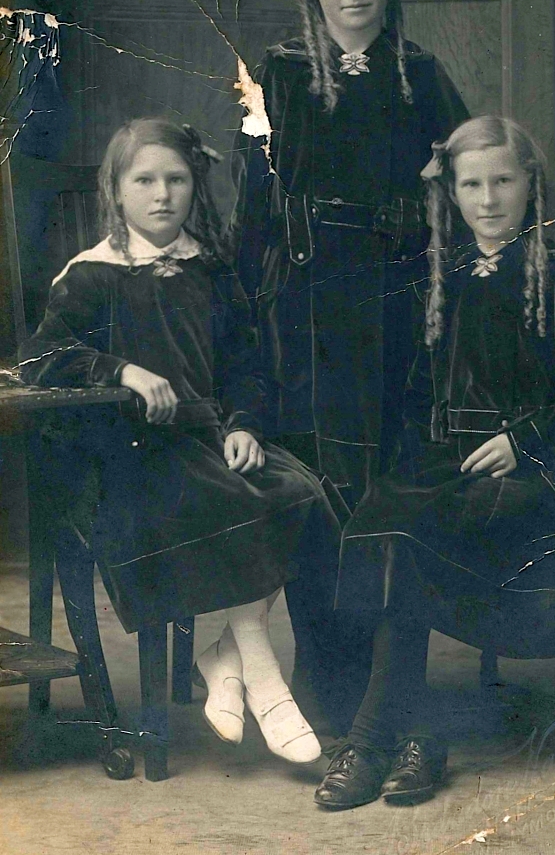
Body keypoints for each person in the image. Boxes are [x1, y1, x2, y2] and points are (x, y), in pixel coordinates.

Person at [18, 116, 343, 766]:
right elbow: (40, 357)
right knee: (227, 501)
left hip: (206, 437)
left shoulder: (211, 272)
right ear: (116, 189)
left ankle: (227, 651)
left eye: (177, 179)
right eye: (145, 180)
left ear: (195, 187)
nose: (162, 194)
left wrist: (245, 423)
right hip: (128, 454)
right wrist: (122, 370)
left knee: (301, 493)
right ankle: (265, 679)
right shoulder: (92, 275)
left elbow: (245, 365)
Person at [313, 116, 555, 808]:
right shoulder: (438, 278)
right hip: (449, 462)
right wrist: (416, 467)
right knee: (380, 521)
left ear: (529, 185)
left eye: (501, 181)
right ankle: (410, 732)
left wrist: (524, 441)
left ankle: (375, 737)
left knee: (414, 538)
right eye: (470, 184)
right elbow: (419, 392)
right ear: (450, 193)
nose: (487, 199)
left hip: (534, 473)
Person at [220, 0, 469, 744]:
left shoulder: (421, 74)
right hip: (304, 310)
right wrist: (249, 305)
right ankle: (326, 688)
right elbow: (254, 204)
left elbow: (470, 181)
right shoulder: (281, 74)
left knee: (386, 489)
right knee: (318, 489)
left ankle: (387, 695)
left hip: (397, 311)